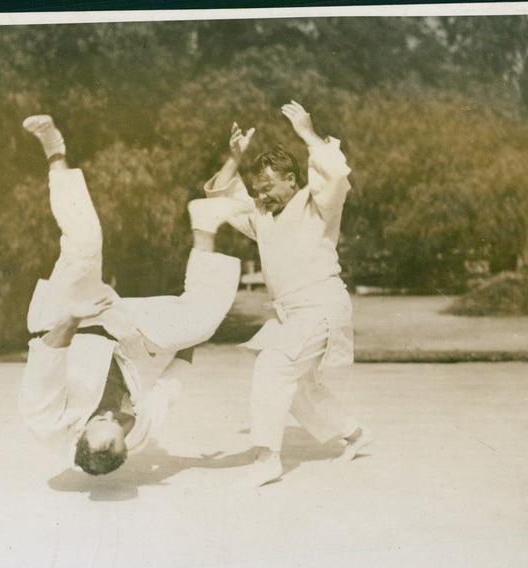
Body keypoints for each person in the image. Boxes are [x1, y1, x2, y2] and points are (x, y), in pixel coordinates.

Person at [18, 115, 241, 475]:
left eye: (101, 419)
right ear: (125, 442)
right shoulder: (135, 432)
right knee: (204, 319)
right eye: (117, 423)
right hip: (115, 330)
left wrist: (74, 315)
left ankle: (54, 151)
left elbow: (47, 360)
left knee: (85, 242)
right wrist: (189, 332)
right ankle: (207, 220)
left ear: (79, 438)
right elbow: (166, 390)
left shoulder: (45, 423)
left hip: (62, 322)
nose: (112, 414)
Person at [189, 100, 374, 486]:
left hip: (321, 305)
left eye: (270, 185)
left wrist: (307, 133)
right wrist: (233, 158)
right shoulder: (261, 215)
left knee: (272, 368)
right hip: (291, 314)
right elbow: (221, 197)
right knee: (300, 390)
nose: (264, 193)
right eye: (259, 188)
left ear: (293, 179)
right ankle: (355, 434)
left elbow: (336, 176)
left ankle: (267, 460)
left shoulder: (318, 205)